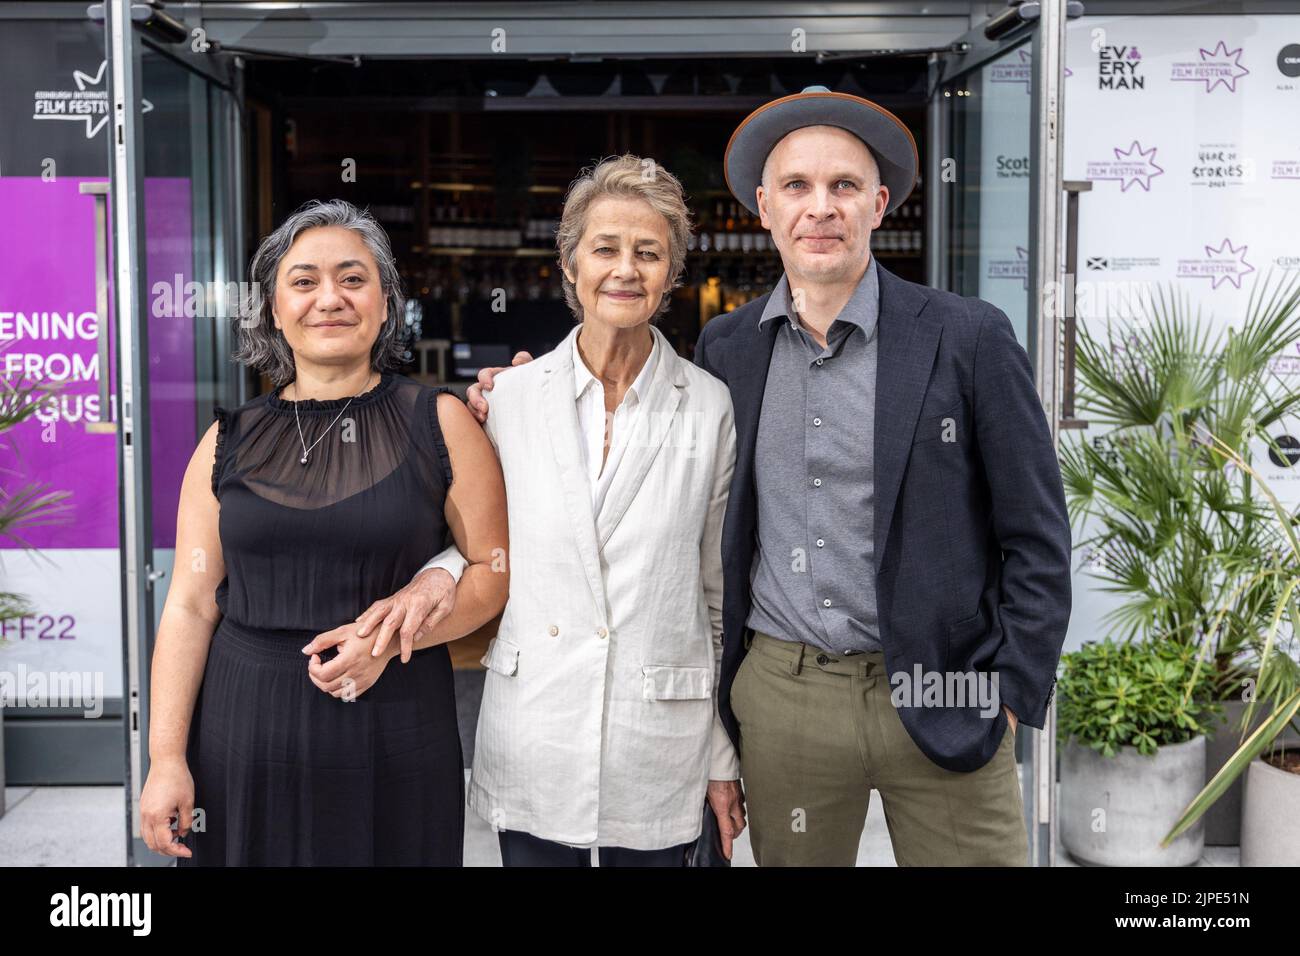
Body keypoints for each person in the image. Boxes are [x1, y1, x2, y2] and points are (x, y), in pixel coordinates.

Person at [470, 88, 1072, 866]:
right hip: (787, 698)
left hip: (942, 689)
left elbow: (1037, 533)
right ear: (764, 206)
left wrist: (1013, 693)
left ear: (879, 204)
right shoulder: (728, 352)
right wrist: (515, 398)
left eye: (844, 187)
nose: (820, 208)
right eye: (797, 187)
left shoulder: (968, 336)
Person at [139, 199, 508, 866]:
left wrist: (393, 638)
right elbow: (191, 606)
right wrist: (166, 757)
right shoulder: (226, 440)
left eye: (353, 278)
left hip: (394, 724)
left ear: (387, 303)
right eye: (304, 281)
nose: (329, 299)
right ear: (275, 310)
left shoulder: (441, 421)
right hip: (242, 732)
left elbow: (492, 571)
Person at [458, 154, 744, 866]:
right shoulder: (509, 401)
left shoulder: (709, 406)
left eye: (649, 253)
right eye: (605, 248)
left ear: (671, 274)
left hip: (659, 739)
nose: (625, 269)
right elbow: (473, 549)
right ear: (571, 265)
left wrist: (719, 754)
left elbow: (714, 597)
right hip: (536, 726)